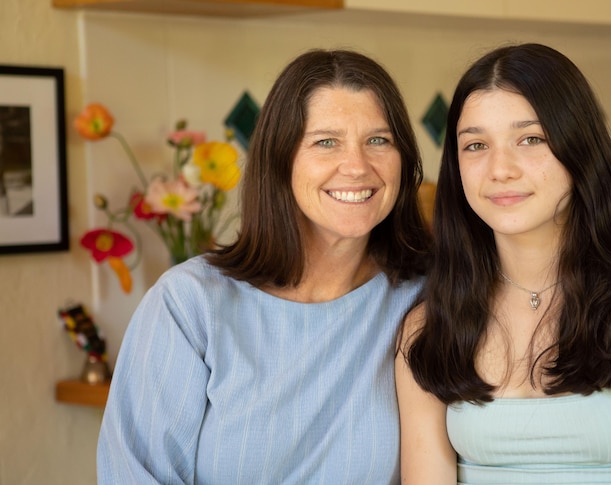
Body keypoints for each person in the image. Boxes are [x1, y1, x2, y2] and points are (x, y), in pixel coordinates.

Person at [97, 49, 430, 484]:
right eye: (326, 141)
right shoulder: (189, 303)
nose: (357, 166)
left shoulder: (427, 298)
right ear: (280, 159)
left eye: (378, 140)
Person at [396, 43, 611, 484]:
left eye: (531, 139)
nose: (499, 168)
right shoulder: (428, 327)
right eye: (475, 145)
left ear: (578, 150)